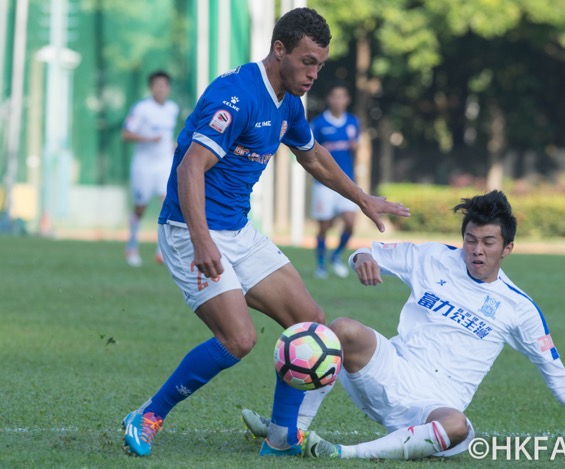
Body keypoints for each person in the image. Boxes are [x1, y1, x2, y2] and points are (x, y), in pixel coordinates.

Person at [121, 7, 409, 458]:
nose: (314, 73)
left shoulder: (289, 99)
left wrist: (362, 198)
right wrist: (201, 240)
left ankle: (280, 435)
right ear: (279, 50)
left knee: (311, 322)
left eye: (320, 64)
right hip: (188, 228)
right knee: (239, 339)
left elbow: (312, 157)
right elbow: (191, 167)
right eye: (307, 61)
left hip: (238, 229)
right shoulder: (235, 95)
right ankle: (149, 414)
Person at [242, 190, 565, 460]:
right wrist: (360, 258)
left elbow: (556, 374)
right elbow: (366, 249)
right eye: (471, 240)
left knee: (459, 428)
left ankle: (343, 453)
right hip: (389, 369)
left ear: (508, 248)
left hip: (431, 406)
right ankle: (288, 434)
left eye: (488, 242)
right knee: (339, 329)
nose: (477, 250)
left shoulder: (519, 309)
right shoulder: (434, 256)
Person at [122, 70, 179, 267]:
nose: (160, 89)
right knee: (140, 207)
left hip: (164, 163)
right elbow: (126, 134)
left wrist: (172, 145)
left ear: (168, 88)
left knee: (168, 203)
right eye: (157, 85)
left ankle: (161, 251)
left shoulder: (172, 108)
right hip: (143, 165)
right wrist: (148, 139)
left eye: (164, 85)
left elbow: (166, 136)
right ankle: (131, 246)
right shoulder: (142, 108)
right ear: (151, 87)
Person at [309, 82, 359, 279]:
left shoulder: (353, 122)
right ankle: (320, 264)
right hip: (324, 184)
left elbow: (354, 148)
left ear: (347, 100)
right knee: (324, 225)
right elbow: (311, 151)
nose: (338, 101)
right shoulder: (319, 123)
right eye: (335, 96)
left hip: (346, 182)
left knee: (350, 222)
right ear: (329, 100)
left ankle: (336, 256)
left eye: (342, 97)